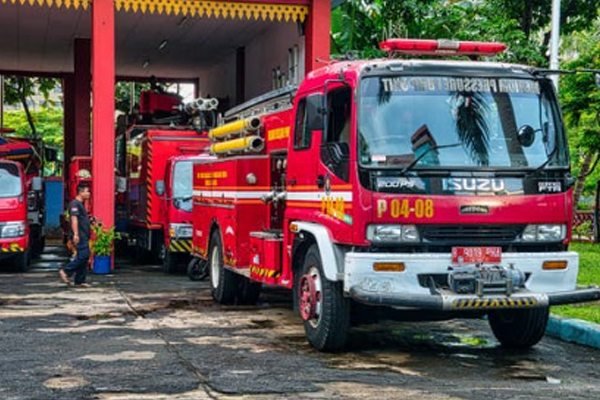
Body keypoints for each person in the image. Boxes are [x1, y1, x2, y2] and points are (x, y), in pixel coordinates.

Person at [59, 184, 92, 287]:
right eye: (87, 191)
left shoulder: (81, 204)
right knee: (84, 255)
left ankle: (79, 281)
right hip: (80, 235)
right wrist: (76, 234)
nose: (89, 194)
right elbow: (74, 219)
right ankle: (66, 271)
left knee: (84, 257)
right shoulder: (75, 204)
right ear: (81, 192)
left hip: (84, 234)